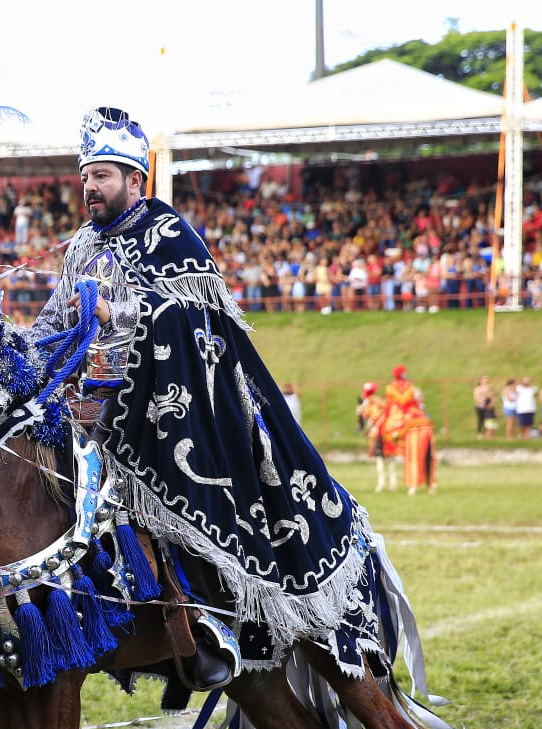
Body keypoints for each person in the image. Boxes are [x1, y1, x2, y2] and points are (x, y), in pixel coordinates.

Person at [30, 106, 390, 692]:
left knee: (155, 513)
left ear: (135, 180)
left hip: (166, 418)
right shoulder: (80, 248)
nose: (89, 187)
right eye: (85, 175)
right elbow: (51, 323)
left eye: (102, 176)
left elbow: (199, 322)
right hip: (86, 418)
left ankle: (204, 628)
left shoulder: (169, 235)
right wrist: (6, 344)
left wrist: (115, 311)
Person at [379, 365, 438, 495]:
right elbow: (420, 399)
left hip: (406, 423)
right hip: (422, 421)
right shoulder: (412, 387)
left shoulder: (390, 388)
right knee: (429, 456)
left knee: (411, 456)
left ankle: (413, 485)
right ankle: (431, 483)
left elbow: (389, 407)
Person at [356, 381, 389, 491]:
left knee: (378, 456)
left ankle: (381, 483)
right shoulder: (379, 400)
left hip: (377, 431)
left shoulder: (368, 404)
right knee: (389, 458)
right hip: (386, 429)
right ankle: (391, 482)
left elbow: (364, 417)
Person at [472, 375, 496, 440]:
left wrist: (489, 403)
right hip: (480, 406)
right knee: (480, 420)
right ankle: (479, 433)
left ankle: (487, 434)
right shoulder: (477, 388)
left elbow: (492, 396)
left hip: (487, 407)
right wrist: (481, 402)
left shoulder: (490, 387)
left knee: (487, 421)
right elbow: (476, 397)